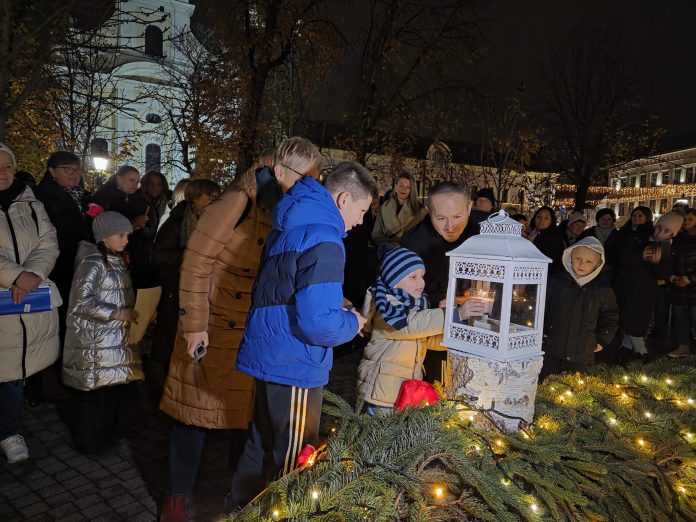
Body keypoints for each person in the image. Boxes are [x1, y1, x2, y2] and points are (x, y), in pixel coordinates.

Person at [158, 137, 323, 521]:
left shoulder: (283, 205)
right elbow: (196, 261)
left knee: (248, 416)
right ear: (279, 171)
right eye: (306, 179)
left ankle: (238, 498)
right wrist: (195, 325)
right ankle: (177, 497)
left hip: (253, 326)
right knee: (193, 413)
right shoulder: (237, 199)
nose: (310, 187)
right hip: (213, 325)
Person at [225, 161, 377, 510]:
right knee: (295, 460)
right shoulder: (326, 237)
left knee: (260, 444)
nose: (360, 222)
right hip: (295, 361)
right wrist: (352, 322)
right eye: (362, 210)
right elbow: (318, 324)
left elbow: (285, 290)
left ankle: (237, 510)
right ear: (343, 199)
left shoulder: (292, 224)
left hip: (270, 353)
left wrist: (334, 303)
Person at [357, 247, 484, 414]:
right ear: (394, 281)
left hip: (404, 390)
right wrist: (453, 314)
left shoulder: (415, 306)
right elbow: (413, 325)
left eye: (422, 276)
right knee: (379, 429)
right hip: (382, 392)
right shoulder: (387, 310)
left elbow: (426, 339)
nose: (422, 282)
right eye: (413, 277)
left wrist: (455, 332)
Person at [61, 211, 142, 454]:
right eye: (121, 235)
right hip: (96, 343)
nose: (126, 239)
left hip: (113, 342)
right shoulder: (92, 262)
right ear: (104, 237)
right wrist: (116, 313)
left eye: (127, 234)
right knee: (95, 398)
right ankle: (91, 442)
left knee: (111, 393)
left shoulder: (116, 259)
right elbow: (81, 302)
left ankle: (106, 435)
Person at [0, 142, 60, 463]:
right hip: (7, 294)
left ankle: (9, 430)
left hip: (25, 301)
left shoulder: (31, 203)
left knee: (15, 369)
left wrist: (33, 274)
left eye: (8, 166)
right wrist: (14, 275)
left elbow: (48, 241)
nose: (3, 173)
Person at [400, 181, 473, 383]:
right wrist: (443, 301)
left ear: (469, 208)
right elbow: (401, 299)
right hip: (427, 338)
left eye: (457, 217)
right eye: (441, 218)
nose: (450, 227)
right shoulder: (412, 244)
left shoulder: (480, 234)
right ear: (428, 211)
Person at [150, 179, 220, 382]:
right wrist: (190, 254)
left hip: (202, 289)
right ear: (195, 200)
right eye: (210, 197)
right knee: (170, 334)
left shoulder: (216, 221)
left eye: (217, 196)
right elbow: (158, 256)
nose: (215, 201)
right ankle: (163, 379)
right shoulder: (177, 222)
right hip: (176, 287)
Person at [539, 237, 618, 379]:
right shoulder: (556, 282)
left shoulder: (602, 290)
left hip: (581, 354)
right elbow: (540, 308)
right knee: (545, 383)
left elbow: (610, 315)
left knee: (574, 387)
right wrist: (540, 333)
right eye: (578, 259)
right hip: (551, 348)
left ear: (598, 264)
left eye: (589, 261)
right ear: (570, 256)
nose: (582, 264)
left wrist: (602, 339)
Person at [35, 152, 92, 341]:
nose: (74, 174)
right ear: (52, 171)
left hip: (78, 263)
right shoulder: (42, 198)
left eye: (77, 170)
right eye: (68, 169)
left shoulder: (82, 197)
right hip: (57, 265)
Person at [613, 208, 679, 360]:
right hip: (626, 286)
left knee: (636, 322)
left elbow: (663, 274)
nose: (660, 232)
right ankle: (635, 352)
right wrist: (639, 257)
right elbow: (620, 259)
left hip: (646, 291)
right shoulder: (633, 236)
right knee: (628, 320)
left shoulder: (667, 247)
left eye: (666, 231)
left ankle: (635, 351)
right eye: (659, 228)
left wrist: (656, 263)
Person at [92, 165, 157, 288]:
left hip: (138, 255)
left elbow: (151, 230)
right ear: (119, 179)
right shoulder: (103, 197)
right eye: (131, 180)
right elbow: (101, 226)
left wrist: (144, 227)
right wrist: (133, 224)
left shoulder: (142, 200)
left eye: (137, 181)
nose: (135, 184)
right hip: (110, 254)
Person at [667, 208, 696, 358]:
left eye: (690, 219)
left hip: (694, 288)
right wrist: (673, 277)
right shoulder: (677, 239)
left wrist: (689, 279)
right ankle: (683, 347)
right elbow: (669, 260)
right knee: (680, 318)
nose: (686, 222)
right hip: (678, 288)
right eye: (684, 219)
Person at [371, 172, 426, 245]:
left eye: (408, 187)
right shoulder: (384, 207)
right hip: (386, 248)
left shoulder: (420, 211)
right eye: (401, 185)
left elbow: (423, 236)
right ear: (396, 186)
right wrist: (388, 244)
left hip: (409, 249)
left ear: (412, 190)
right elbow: (376, 233)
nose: (403, 189)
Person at [582, 208, 618, 276]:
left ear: (612, 221)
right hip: (589, 270)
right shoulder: (588, 233)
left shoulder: (619, 235)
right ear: (598, 220)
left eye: (609, 219)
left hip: (610, 272)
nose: (605, 222)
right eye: (603, 219)